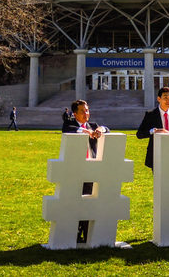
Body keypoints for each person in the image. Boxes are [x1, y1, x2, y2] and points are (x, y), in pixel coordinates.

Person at [61, 99, 109, 244]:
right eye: (82, 111)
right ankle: (73, 232)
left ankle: (86, 232)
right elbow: (69, 130)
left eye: (87, 110)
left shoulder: (93, 126)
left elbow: (106, 128)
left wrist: (101, 130)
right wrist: (84, 131)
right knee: (75, 201)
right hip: (75, 170)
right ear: (75, 114)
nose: (86, 113)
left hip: (91, 169)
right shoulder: (69, 124)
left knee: (89, 201)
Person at [136, 87, 169, 171]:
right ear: (159, 99)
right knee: (159, 182)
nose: (168, 100)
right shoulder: (151, 114)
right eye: (165, 98)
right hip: (157, 154)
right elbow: (139, 134)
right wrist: (154, 131)